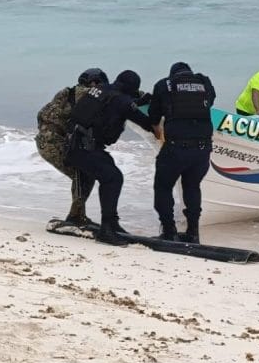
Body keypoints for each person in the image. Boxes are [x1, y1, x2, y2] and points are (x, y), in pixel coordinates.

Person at [65, 69, 157, 245]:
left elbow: (110, 105)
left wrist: (137, 101)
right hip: (85, 148)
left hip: (74, 144)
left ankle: (110, 224)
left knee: (108, 170)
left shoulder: (101, 89)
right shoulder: (122, 100)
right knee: (113, 178)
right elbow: (145, 122)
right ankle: (107, 229)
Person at [148, 62, 215, 243]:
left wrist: (157, 132)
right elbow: (210, 101)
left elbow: (154, 117)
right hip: (203, 149)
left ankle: (169, 231)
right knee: (192, 187)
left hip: (176, 148)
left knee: (163, 187)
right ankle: (193, 233)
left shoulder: (164, 85)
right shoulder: (204, 82)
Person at [36, 68, 108, 225]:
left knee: (82, 174)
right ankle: (76, 217)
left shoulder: (68, 93)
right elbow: (111, 95)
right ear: (94, 83)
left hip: (45, 139)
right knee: (84, 174)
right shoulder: (85, 93)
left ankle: (77, 214)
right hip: (53, 140)